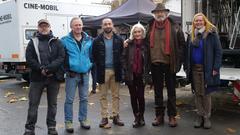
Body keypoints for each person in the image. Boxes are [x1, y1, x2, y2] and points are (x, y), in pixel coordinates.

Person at [23, 19, 65, 135]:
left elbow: (61, 57)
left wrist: (49, 69)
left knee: (52, 105)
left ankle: (51, 127)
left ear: (50, 27)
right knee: (33, 104)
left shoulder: (57, 42)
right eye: (41, 26)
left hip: (53, 78)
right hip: (37, 78)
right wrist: (41, 69)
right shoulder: (33, 42)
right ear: (38, 28)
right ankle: (29, 129)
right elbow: (29, 59)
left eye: (45, 26)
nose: (43, 28)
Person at [148, 3, 185, 127]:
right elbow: (141, 40)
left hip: (170, 63)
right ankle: (159, 116)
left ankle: (172, 116)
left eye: (162, 12)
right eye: (157, 12)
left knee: (171, 92)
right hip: (155, 63)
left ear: (166, 13)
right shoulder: (150, 25)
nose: (159, 14)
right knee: (158, 91)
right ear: (154, 14)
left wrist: (179, 61)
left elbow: (181, 45)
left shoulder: (175, 26)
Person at [184, 13, 222, 129]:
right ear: (194, 23)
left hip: (207, 70)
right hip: (195, 69)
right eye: (196, 21)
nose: (198, 22)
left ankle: (206, 117)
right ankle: (199, 115)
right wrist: (186, 67)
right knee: (198, 94)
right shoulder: (191, 36)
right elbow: (187, 53)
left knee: (206, 94)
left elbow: (218, 52)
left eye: (200, 20)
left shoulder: (211, 35)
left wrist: (215, 68)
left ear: (205, 21)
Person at [61, 17, 92, 133]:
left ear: (82, 26)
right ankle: (68, 122)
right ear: (71, 27)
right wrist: (66, 69)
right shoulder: (64, 40)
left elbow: (91, 55)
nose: (78, 27)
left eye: (80, 25)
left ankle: (83, 119)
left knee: (84, 99)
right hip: (71, 75)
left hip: (84, 74)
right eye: (76, 25)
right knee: (69, 99)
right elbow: (61, 57)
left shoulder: (89, 40)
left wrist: (90, 65)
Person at [92, 18, 124, 129]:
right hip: (103, 71)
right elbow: (94, 56)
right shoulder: (97, 40)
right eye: (105, 24)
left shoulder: (119, 39)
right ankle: (104, 117)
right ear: (102, 26)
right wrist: (98, 66)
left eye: (109, 23)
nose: (107, 25)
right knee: (103, 96)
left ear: (112, 25)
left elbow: (122, 54)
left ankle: (115, 116)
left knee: (116, 95)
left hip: (116, 70)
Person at [122, 23, 150, 128]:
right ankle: (136, 117)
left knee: (141, 96)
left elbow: (149, 60)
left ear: (143, 33)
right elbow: (123, 57)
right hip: (131, 74)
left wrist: (148, 71)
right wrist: (126, 68)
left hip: (141, 74)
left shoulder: (146, 45)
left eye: (139, 31)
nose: (137, 33)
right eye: (135, 32)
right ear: (132, 33)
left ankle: (141, 116)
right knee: (133, 96)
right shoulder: (128, 44)